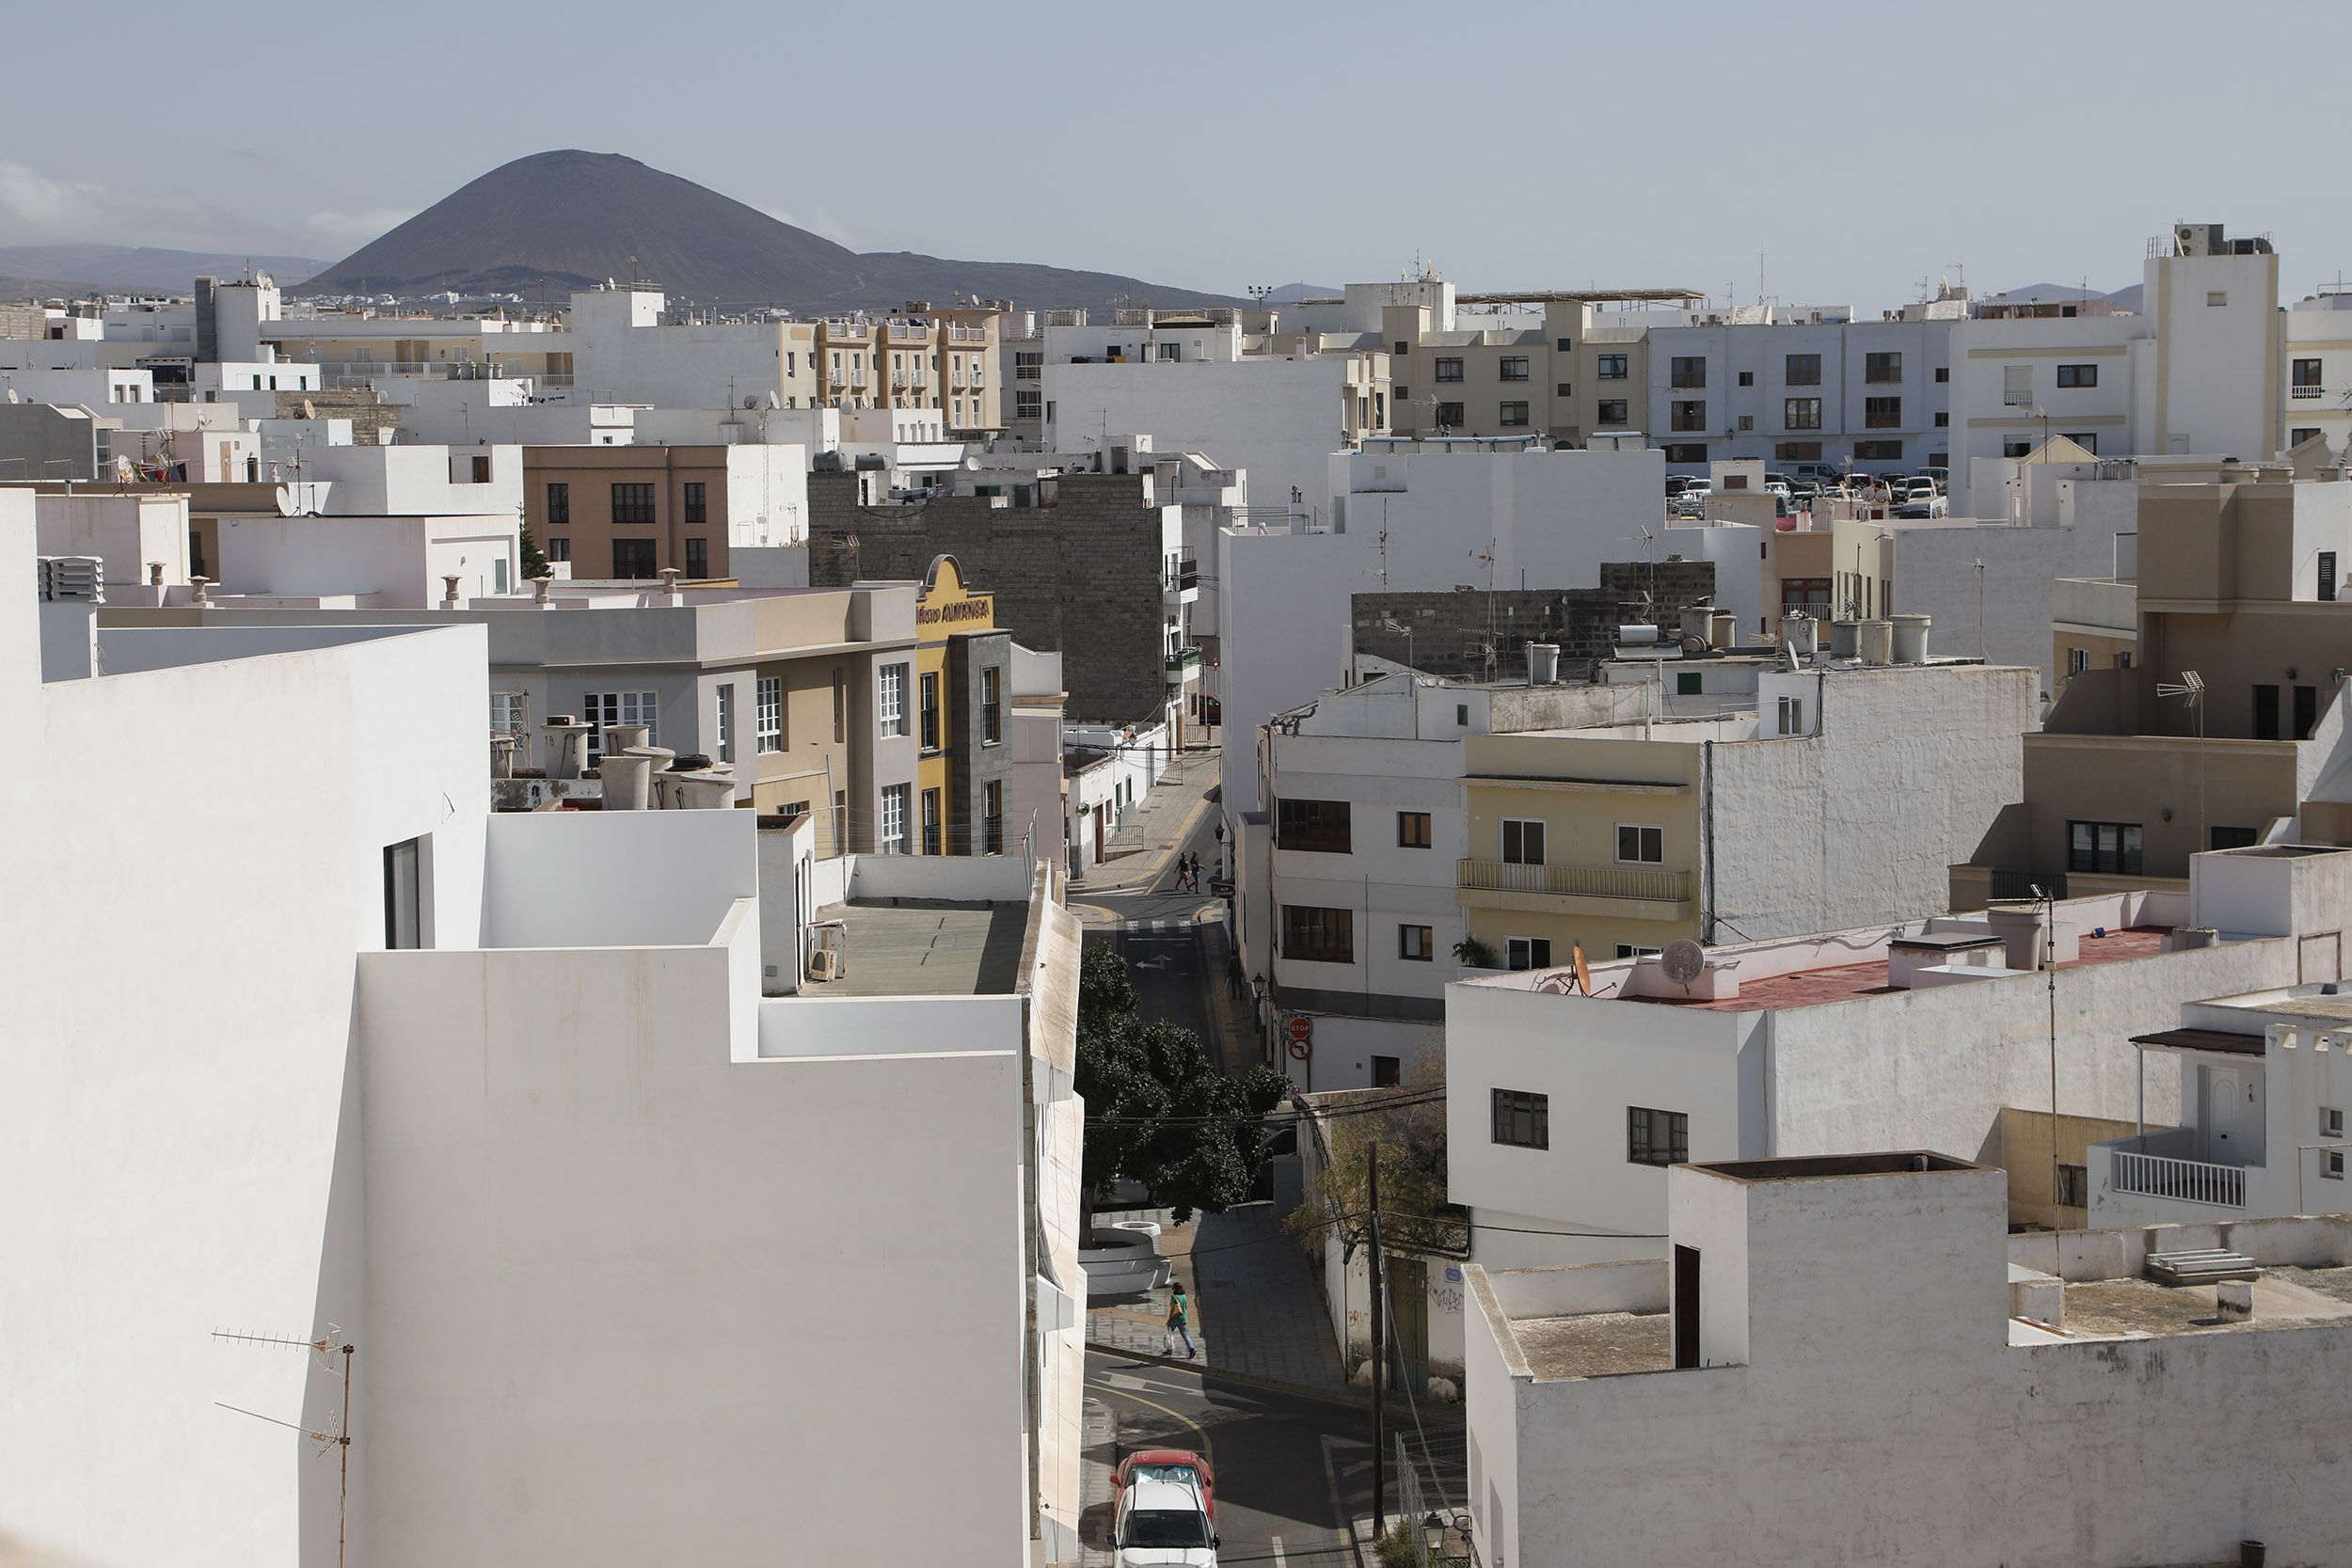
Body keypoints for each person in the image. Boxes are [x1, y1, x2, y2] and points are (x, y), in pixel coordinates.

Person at [1164, 1281, 1196, 1358]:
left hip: (1175, 1319)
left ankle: (1169, 1350)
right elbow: (1185, 1307)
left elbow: (1172, 1310)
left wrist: (1169, 1320)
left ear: (1174, 1289)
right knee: (1185, 1335)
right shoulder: (1184, 1296)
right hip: (1183, 1318)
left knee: (1169, 1333)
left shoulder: (1174, 1297)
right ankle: (1191, 1349)